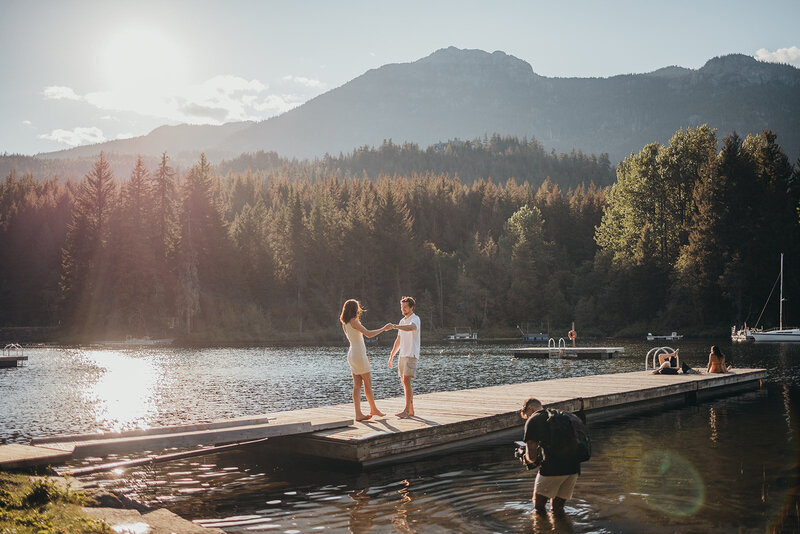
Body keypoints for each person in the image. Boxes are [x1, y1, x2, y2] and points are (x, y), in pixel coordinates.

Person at [520, 398, 581, 516]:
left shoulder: (534, 420)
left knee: (538, 508)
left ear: (530, 409)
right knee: (558, 510)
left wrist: (523, 456)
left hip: (552, 469)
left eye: (527, 416)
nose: (527, 418)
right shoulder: (562, 416)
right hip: (573, 468)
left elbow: (531, 458)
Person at [340, 299, 392, 421]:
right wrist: (383, 328)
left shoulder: (345, 323)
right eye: (357, 308)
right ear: (354, 309)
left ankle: (358, 414)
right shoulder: (354, 321)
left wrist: (363, 355)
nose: (359, 310)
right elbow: (368, 334)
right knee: (367, 383)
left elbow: (356, 340)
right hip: (358, 354)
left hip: (353, 354)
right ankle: (373, 409)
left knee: (357, 385)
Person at [388, 296, 421, 419]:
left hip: (411, 354)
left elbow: (411, 328)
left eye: (405, 307)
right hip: (402, 355)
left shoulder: (415, 319)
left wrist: (395, 326)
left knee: (406, 380)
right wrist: (392, 355)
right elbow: (399, 339)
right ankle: (411, 410)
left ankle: (406, 410)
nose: (403, 309)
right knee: (403, 381)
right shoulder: (402, 321)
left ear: (411, 307)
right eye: (402, 307)